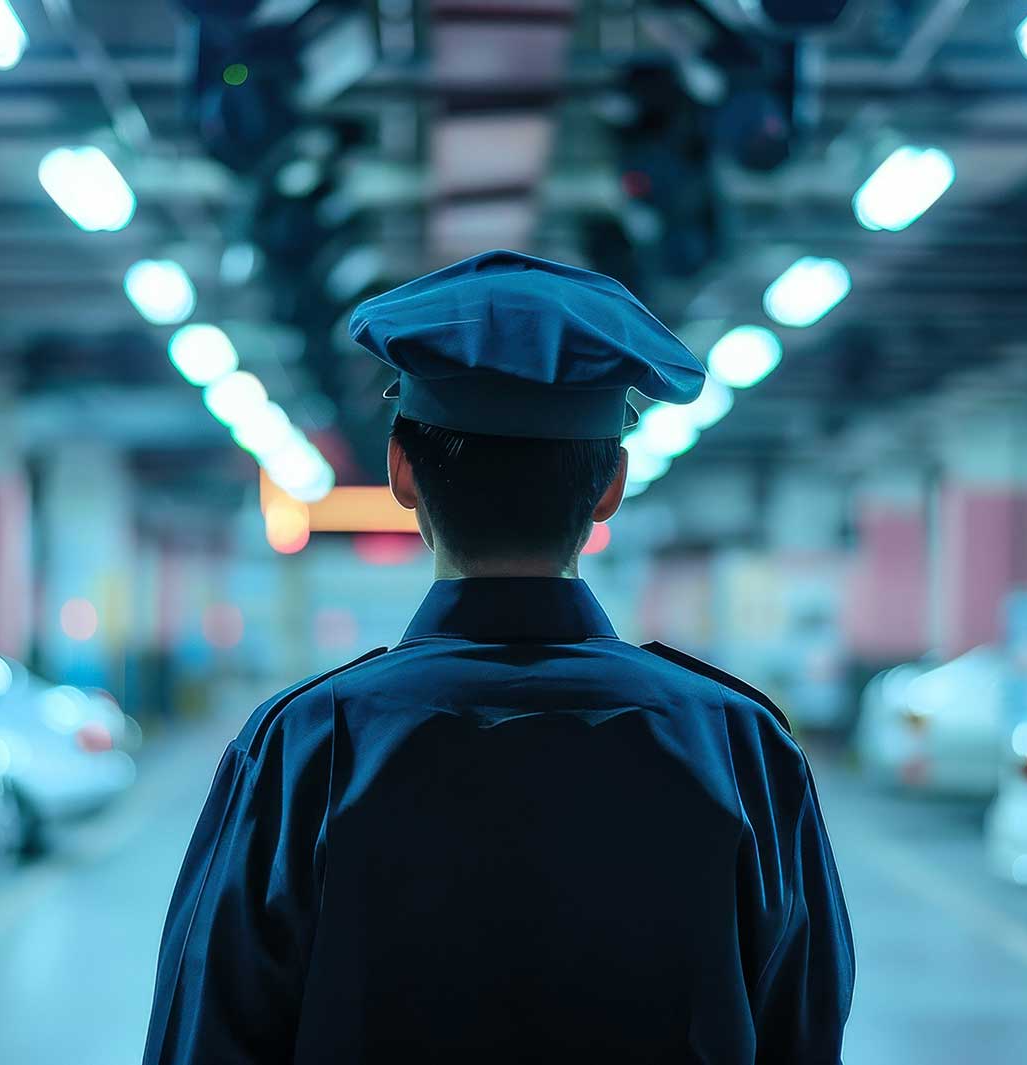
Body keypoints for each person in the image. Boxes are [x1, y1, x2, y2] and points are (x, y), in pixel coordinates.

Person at [142, 250, 854, 1064]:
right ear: (611, 485)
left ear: (400, 471)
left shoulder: (303, 746)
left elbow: (202, 1040)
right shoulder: (742, 746)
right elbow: (806, 1033)